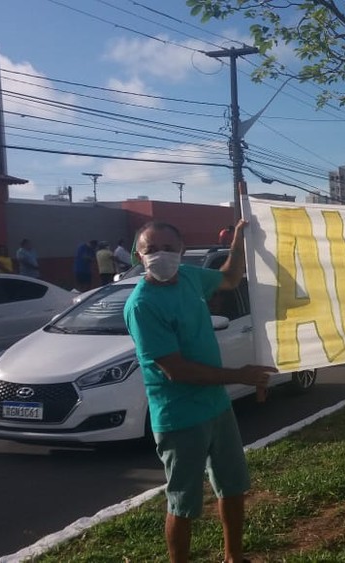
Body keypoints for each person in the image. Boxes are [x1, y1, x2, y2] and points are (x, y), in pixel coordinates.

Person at [123, 220, 274, 563]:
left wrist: (238, 241)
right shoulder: (142, 305)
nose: (160, 255)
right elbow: (175, 369)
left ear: (182, 250)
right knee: (184, 503)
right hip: (179, 417)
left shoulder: (191, 278)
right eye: (151, 249)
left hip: (216, 407)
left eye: (168, 248)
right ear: (138, 255)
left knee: (233, 487)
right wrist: (240, 375)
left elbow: (230, 277)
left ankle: (234, 556)